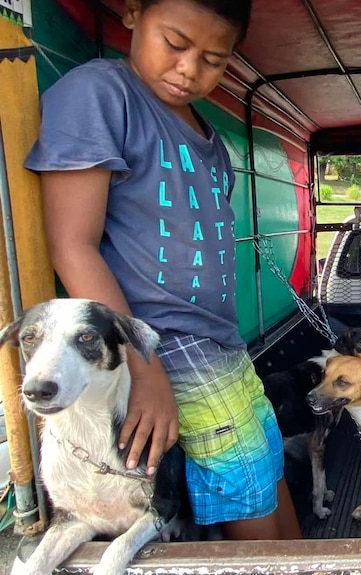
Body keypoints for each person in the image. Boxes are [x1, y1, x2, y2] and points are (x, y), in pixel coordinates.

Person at [24, 0, 302, 540]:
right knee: (245, 498)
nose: (189, 70)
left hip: (222, 344)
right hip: (166, 344)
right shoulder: (102, 94)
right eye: (175, 44)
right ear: (132, 14)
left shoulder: (209, 137)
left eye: (214, 59)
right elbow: (73, 246)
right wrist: (144, 367)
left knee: (262, 473)